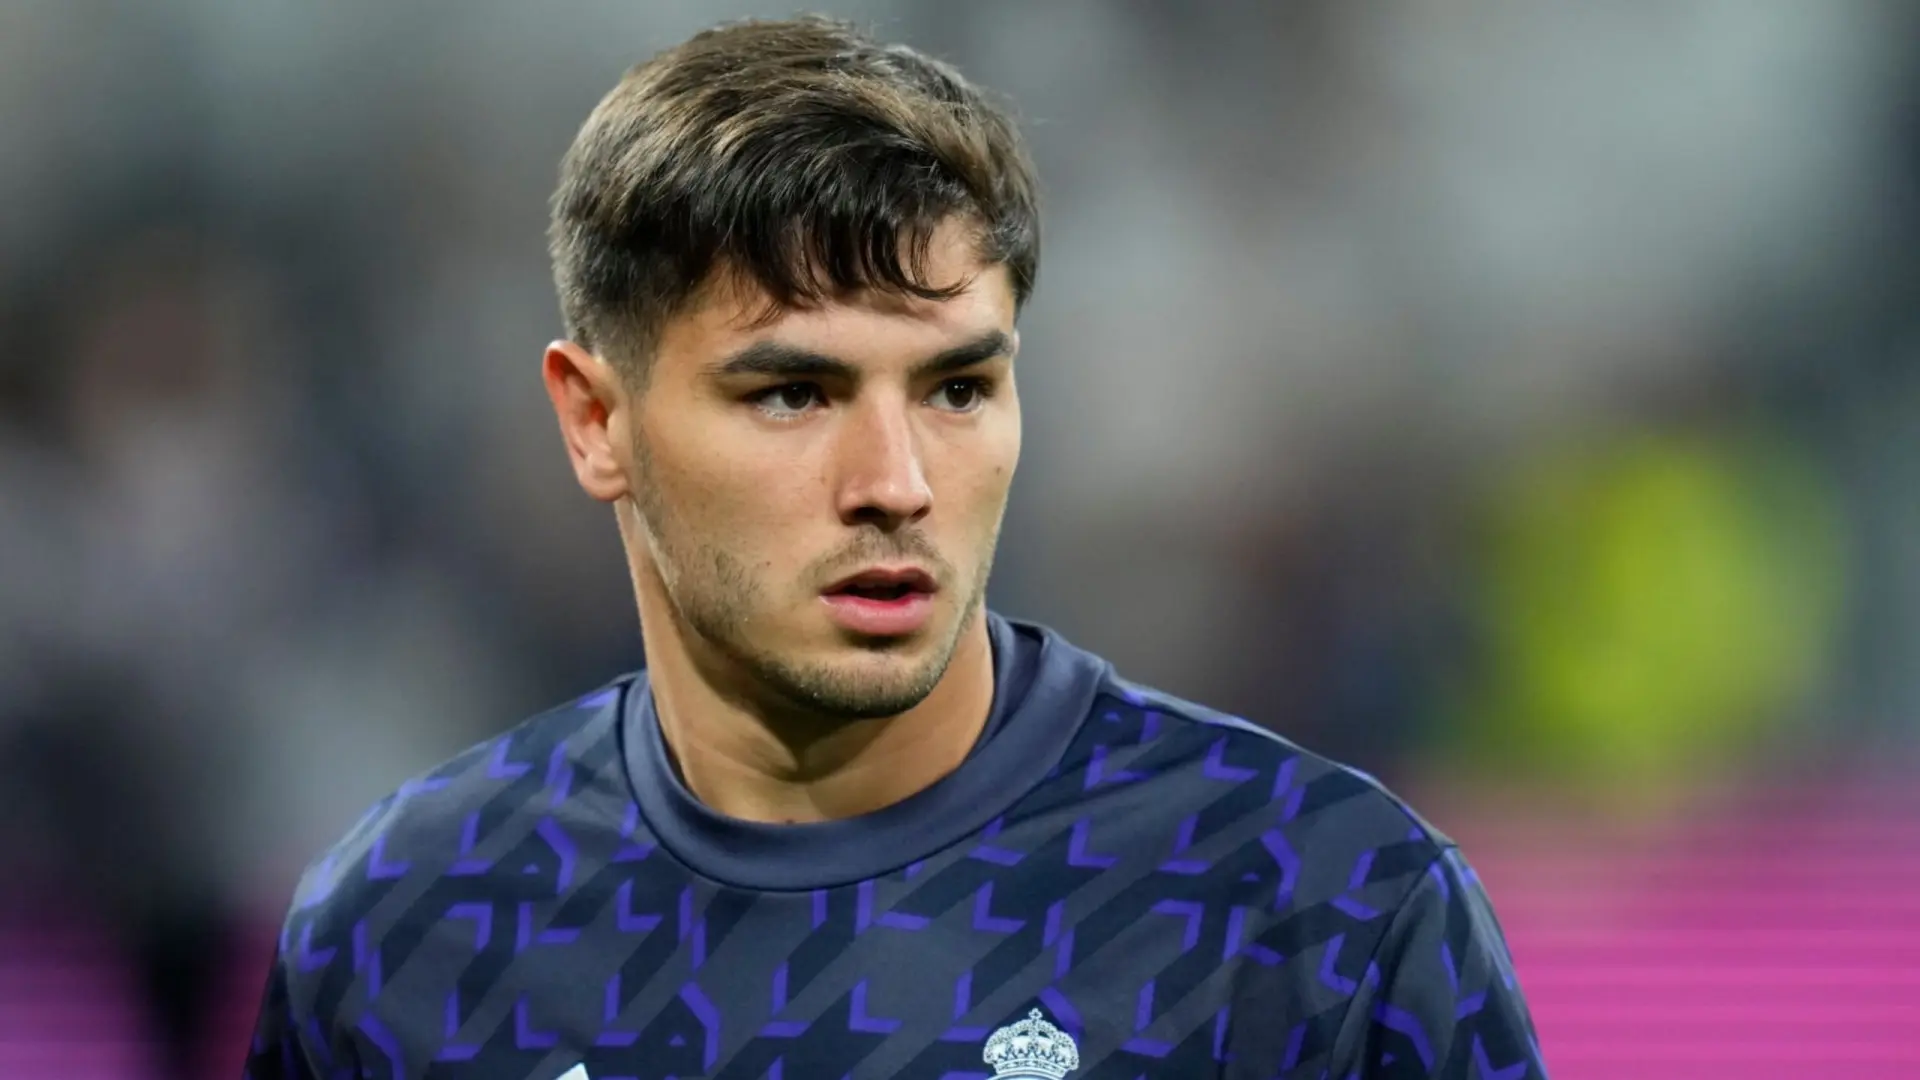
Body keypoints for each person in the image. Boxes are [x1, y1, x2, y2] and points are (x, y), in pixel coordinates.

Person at [244, 16, 1547, 1079]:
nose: (896, 485)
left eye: (958, 388)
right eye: (792, 394)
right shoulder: (404, 933)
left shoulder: (1321, 909)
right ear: (597, 422)